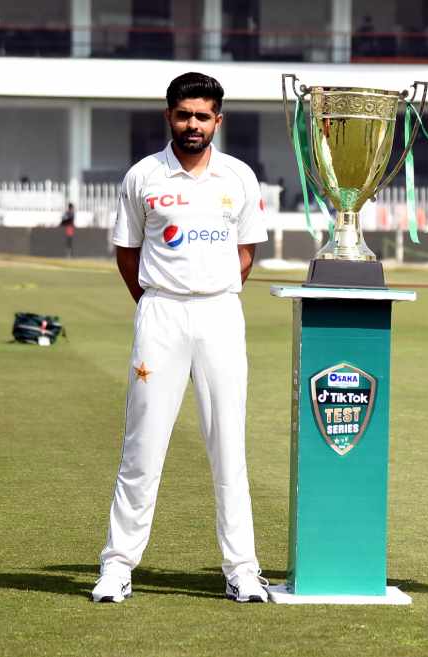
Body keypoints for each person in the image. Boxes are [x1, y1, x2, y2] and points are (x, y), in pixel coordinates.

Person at [91, 72, 269, 604]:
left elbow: (245, 254)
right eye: (184, 114)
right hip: (161, 315)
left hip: (219, 315)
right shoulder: (143, 176)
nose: (193, 124)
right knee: (142, 445)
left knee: (228, 445)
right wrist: (157, 302)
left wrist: (210, 293)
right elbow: (128, 255)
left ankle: (241, 568)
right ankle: (118, 566)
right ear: (169, 116)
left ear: (219, 120)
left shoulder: (239, 177)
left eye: (202, 116)